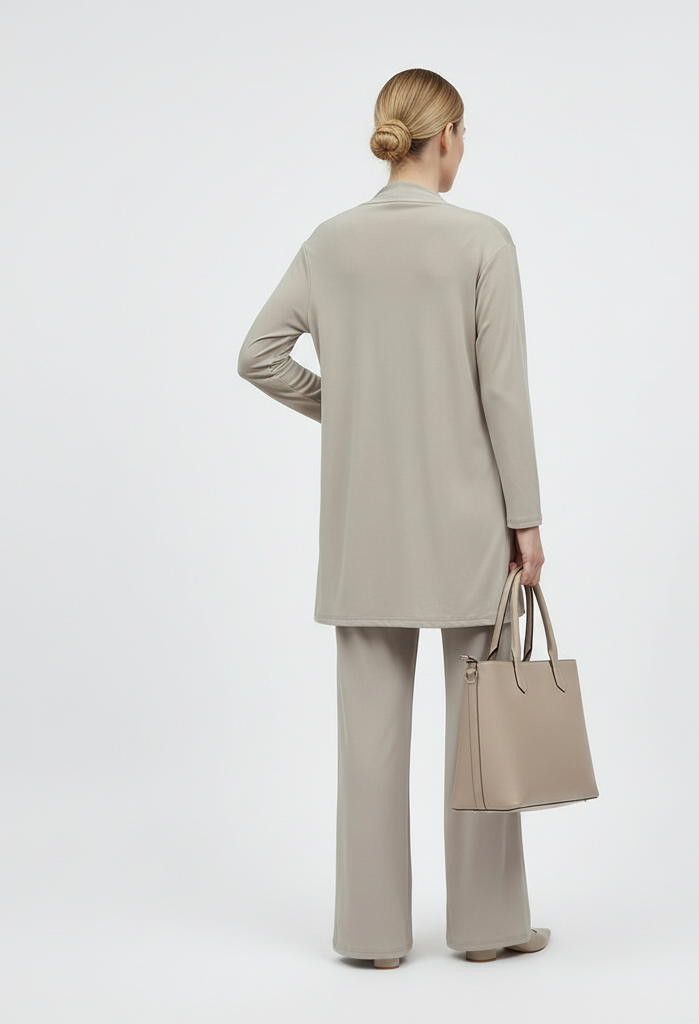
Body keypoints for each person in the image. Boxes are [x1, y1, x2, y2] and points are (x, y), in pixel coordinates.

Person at [238, 68, 549, 969]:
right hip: (468, 526)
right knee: (481, 731)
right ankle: (487, 929)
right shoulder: (483, 241)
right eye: (464, 135)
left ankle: (372, 937)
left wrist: (347, 406)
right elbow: (504, 395)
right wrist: (526, 519)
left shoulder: (329, 243)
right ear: (445, 136)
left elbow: (259, 354)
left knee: (368, 744)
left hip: (364, 532)